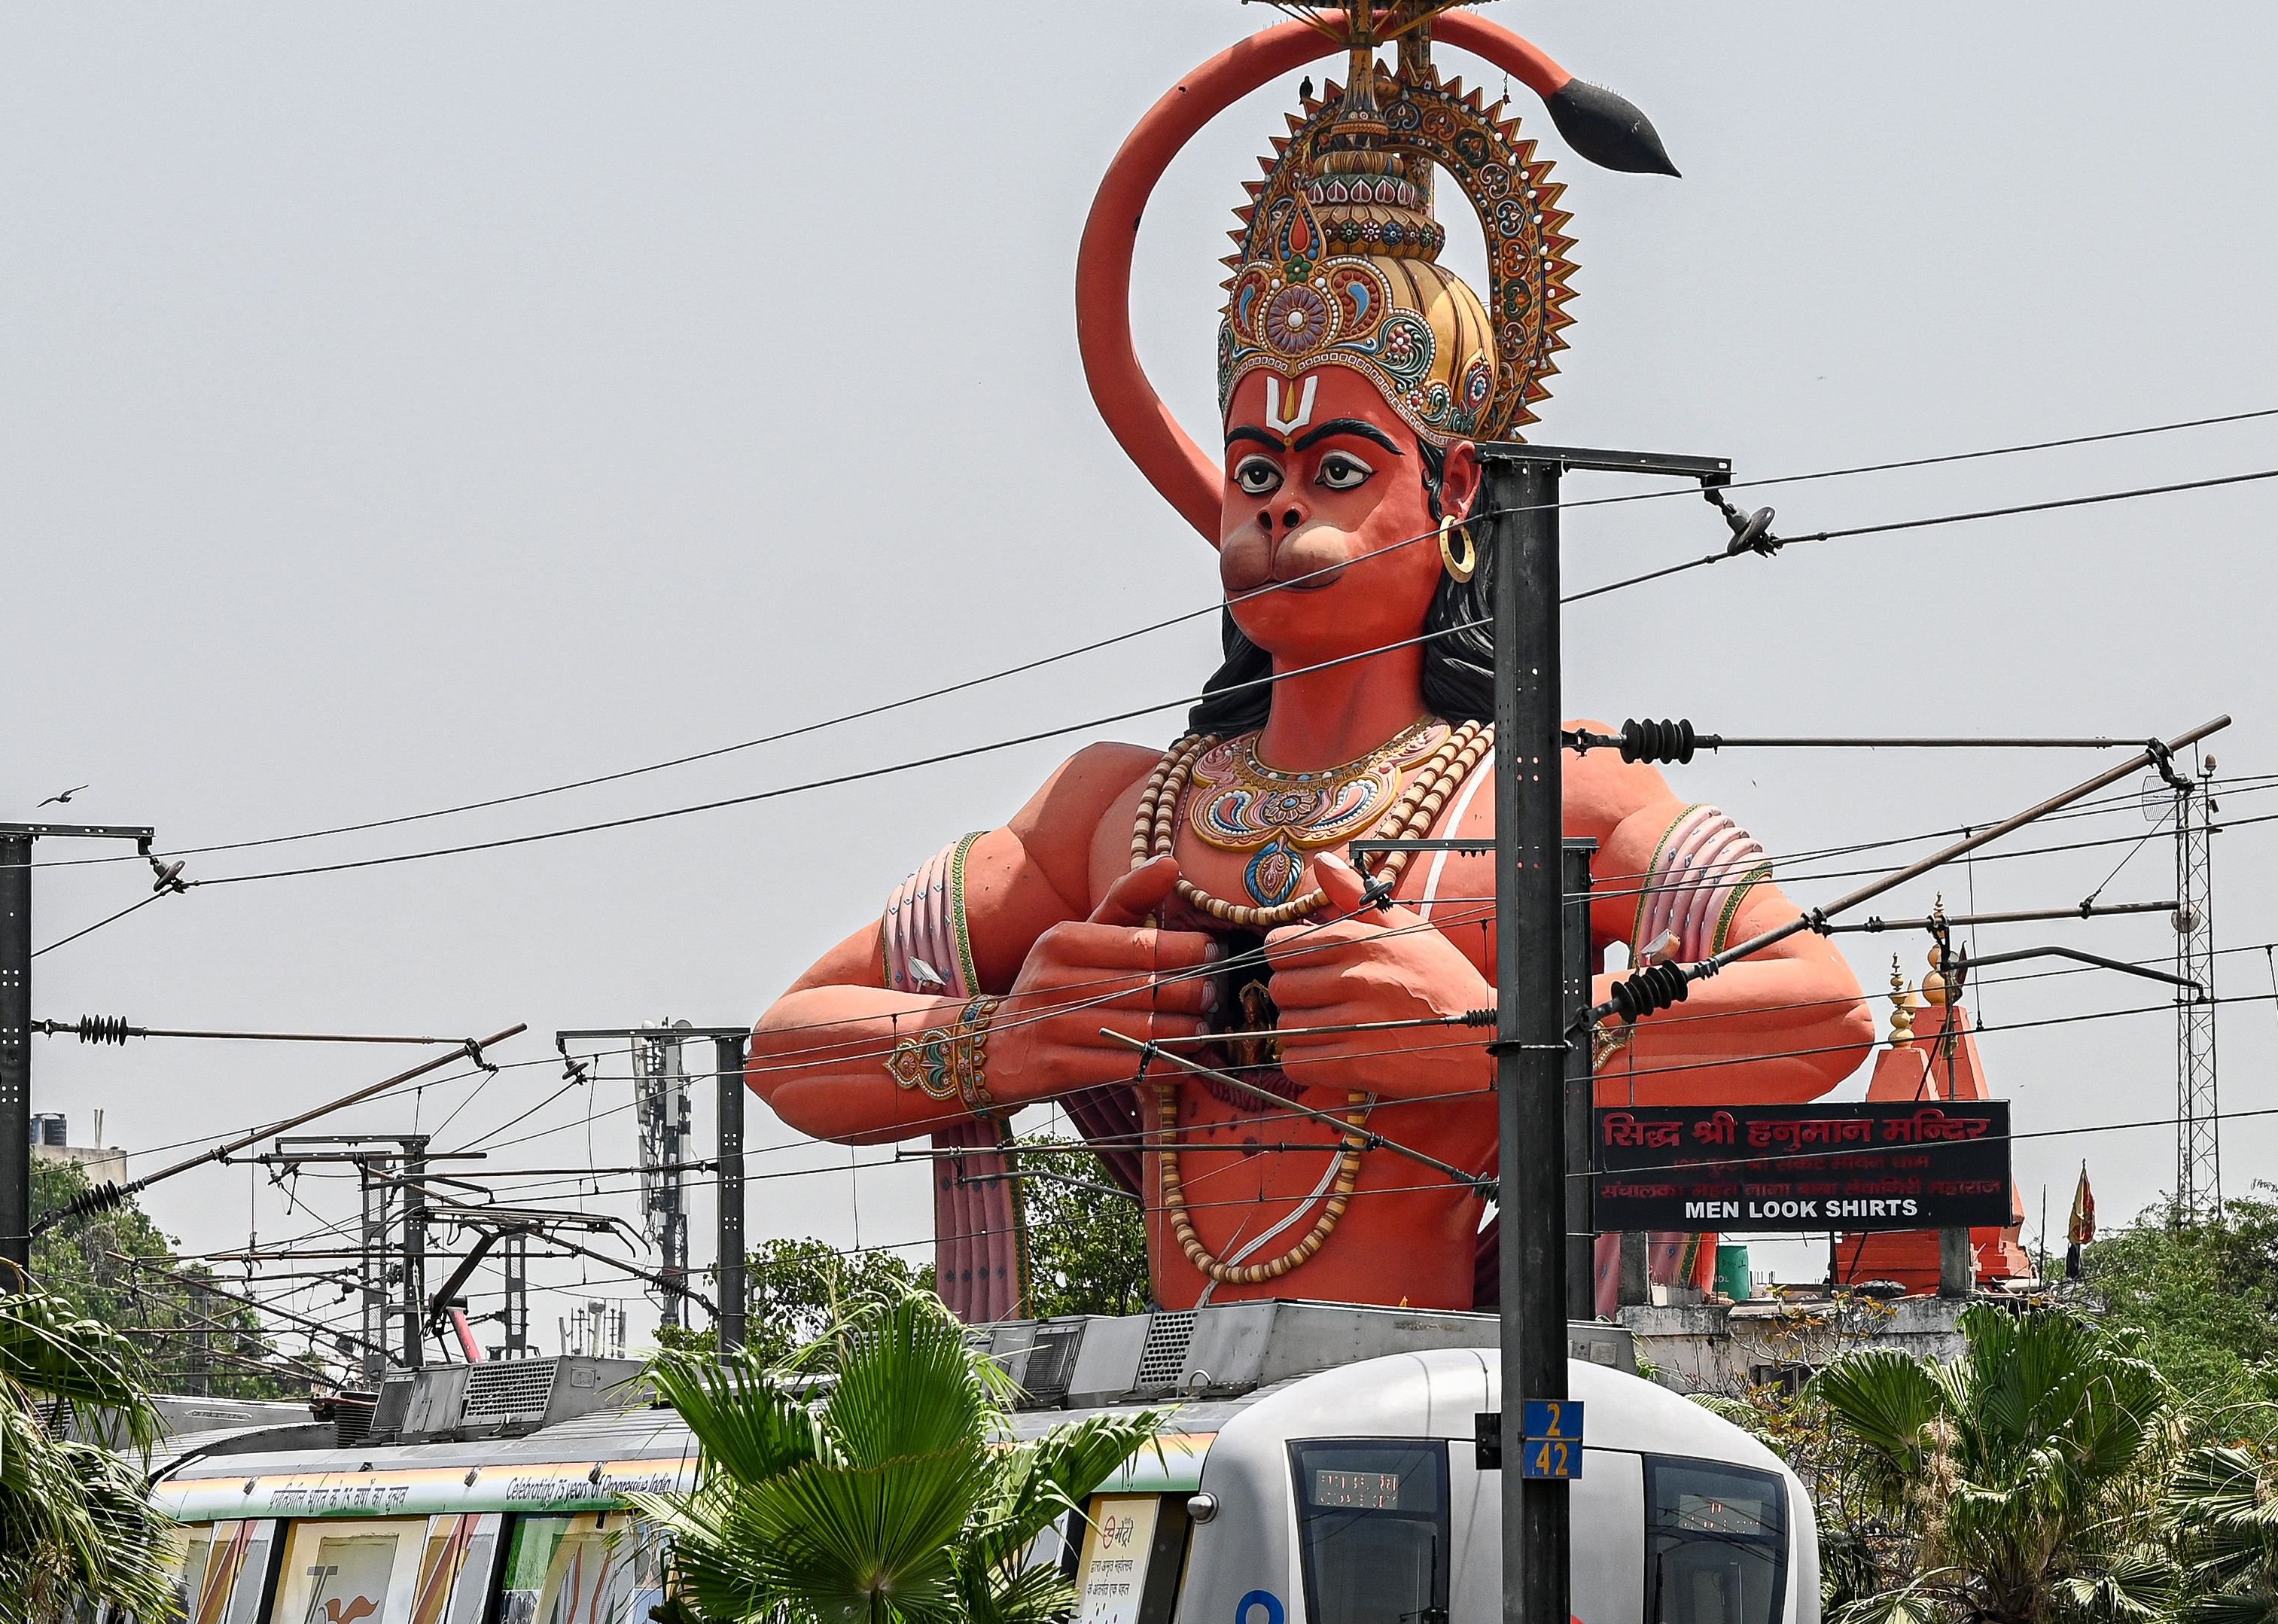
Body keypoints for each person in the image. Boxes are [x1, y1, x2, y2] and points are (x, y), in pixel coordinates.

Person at [753, 8, 1872, 1316]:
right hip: (1163, 1429)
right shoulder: (1112, 812)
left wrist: (1484, 1041)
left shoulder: (1553, 796)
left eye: (1338, 468)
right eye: (1254, 472)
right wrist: (1011, 1041)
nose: (1279, 509)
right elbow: (787, 1046)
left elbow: (1820, 1011)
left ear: (1458, 486)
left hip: (1457, 1427)